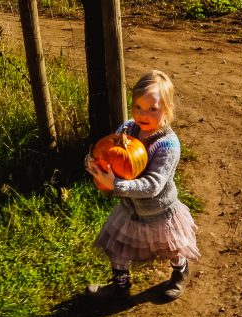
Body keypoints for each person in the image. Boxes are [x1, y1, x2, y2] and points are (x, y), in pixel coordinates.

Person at [85, 69, 200, 302]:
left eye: (152, 109)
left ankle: (180, 273)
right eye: (137, 106)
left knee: (172, 249)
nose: (142, 114)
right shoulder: (127, 130)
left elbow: (153, 185)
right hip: (129, 210)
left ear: (166, 109)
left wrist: (116, 185)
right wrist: (92, 161)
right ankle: (120, 286)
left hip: (159, 212)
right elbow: (107, 152)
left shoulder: (167, 144)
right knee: (118, 248)